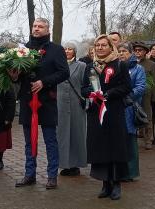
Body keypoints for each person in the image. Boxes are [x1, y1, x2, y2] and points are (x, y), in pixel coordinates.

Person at [9, 18, 69, 189]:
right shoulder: (24, 50)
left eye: (40, 26)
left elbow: (64, 73)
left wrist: (44, 82)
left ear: (47, 30)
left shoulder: (56, 50)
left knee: (50, 141)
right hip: (28, 101)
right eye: (34, 26)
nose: (36, 29)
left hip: (46, 101)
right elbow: (20, 76)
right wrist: (14, 75)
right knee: (29, 141)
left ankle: (52, 176)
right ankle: (30, 174)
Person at [81, 34, 131, 200]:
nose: (100, 48)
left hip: (114, 111)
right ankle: (105, 183)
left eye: (104, 45)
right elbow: (83, 88)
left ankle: (117, 183)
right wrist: (91, 93)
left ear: (111, 47)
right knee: (100, 146)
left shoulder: (120, 65)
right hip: (96, 113)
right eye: (98, 45)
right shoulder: (89, 66)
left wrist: (108, 94)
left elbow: (126, 87)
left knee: (115, 146)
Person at [57, 42, 87, 176]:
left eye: (70, 49)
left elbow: (86, 84)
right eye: (65, 49)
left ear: (75, 52)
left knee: (77, 134)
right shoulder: (57, 66)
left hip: (76, 104)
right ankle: (65, 164)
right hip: (61, 104)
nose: (67, 51)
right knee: (62, 135)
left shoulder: (82, 66)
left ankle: (76, 164)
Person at [118, 42, 146, 180]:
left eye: (124, 51)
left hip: (129, 107)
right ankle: (121, 171)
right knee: (119, 140)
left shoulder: (138, 68)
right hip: (116, 108)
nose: (121, 53)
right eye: (119, 51)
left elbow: (141, 87)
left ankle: (131, 172)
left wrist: (124, 96)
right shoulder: (115, 66)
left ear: (131, 53)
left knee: (130, 140)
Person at [133, 41, 155, 149]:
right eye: (135, 50)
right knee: (133, 116)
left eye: (140, 50)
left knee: (147, 116)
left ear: (145, 52)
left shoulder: (151, 64)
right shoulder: (130, 63)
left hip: (146, 94)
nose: (137, 52)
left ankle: (148, 140)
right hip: (133, 94)